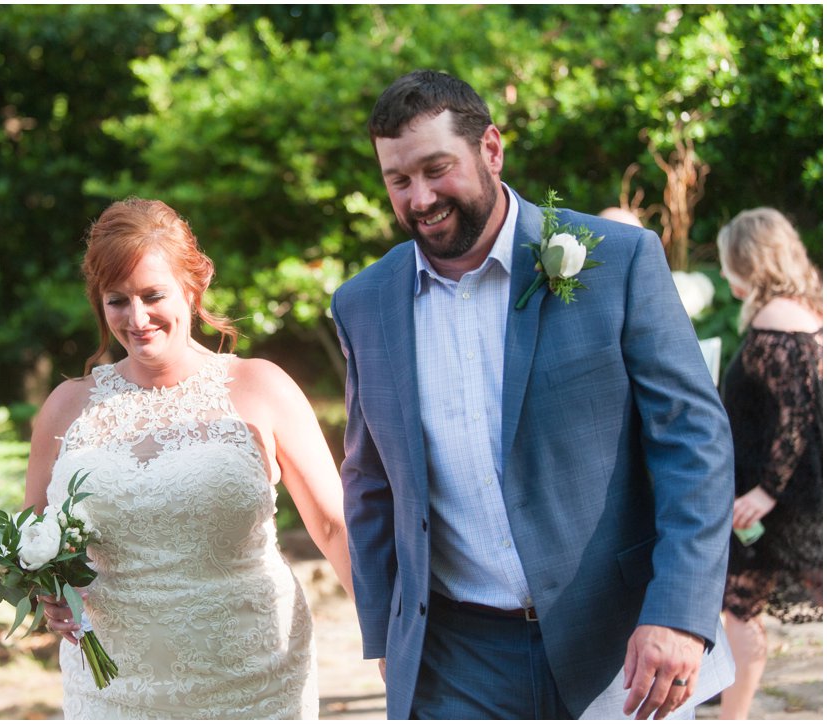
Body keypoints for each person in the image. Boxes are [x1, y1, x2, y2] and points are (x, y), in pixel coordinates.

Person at [330, 69, 736, 720]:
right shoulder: (362, 304)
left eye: (437, 169)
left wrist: (680, 612)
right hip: (457, 655)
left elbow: (695, 445)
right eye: (398, 180)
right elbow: (370, 480)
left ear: (491, 149)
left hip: (620, 640)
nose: (420, 197)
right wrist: (387, 633)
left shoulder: (618, 261)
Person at [24, 197, 353, 719]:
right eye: (117, 301)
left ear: (192, 286)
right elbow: (36, 535)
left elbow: (337, 527)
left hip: (250, 685)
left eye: (153, 295)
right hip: (113, 691)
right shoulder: (66, 408)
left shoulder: (259, 387)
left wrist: (393, 644)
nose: (137, 319)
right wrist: (48, 593)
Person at [714, 208, 823, 719]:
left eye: (726, 261)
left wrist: (766, 493)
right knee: (738, 604)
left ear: (748, 260)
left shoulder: (777, 317)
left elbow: (800, 414)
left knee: (739, 606)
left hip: (779, 501)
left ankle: (732, 717)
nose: (723, 272)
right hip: (780, 495)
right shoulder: (800, 307)